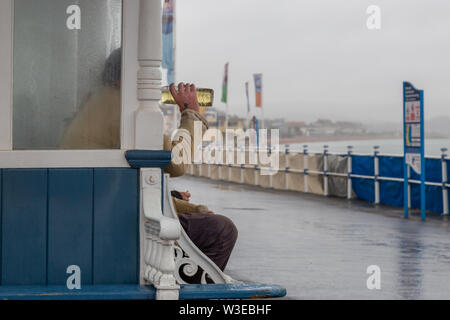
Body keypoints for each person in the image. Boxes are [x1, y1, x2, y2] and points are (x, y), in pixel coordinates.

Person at [60, 48, 208, 178]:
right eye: (143, 77)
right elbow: (177, 163)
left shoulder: (101, 100)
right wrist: (192, 114)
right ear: (122, 80)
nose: (149, 85)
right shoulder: (123, 108)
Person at [171, 190, 238, 274]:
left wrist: (176, 196)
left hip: (163, 222)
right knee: (224, 227)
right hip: (166, 227)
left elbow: (168, 200)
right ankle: (204, 277)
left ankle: (201, 274)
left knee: (221, 225)